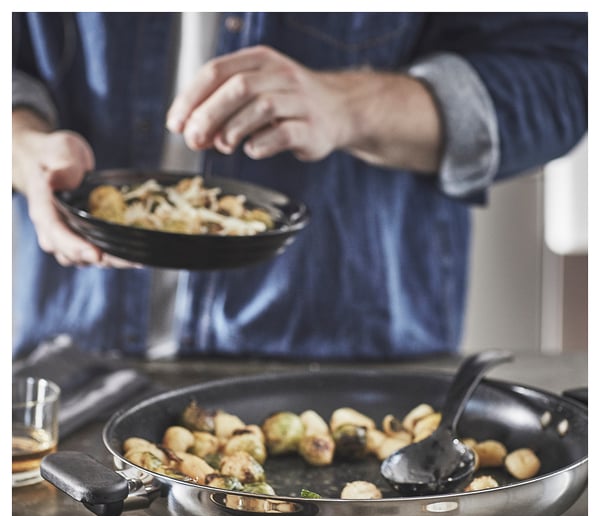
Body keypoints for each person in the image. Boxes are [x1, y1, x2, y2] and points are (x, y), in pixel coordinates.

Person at [12, 12, 588, 361]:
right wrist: (25, 150)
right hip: (63, 351)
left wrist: (350, 105)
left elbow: (562, 80)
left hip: (345, 352)